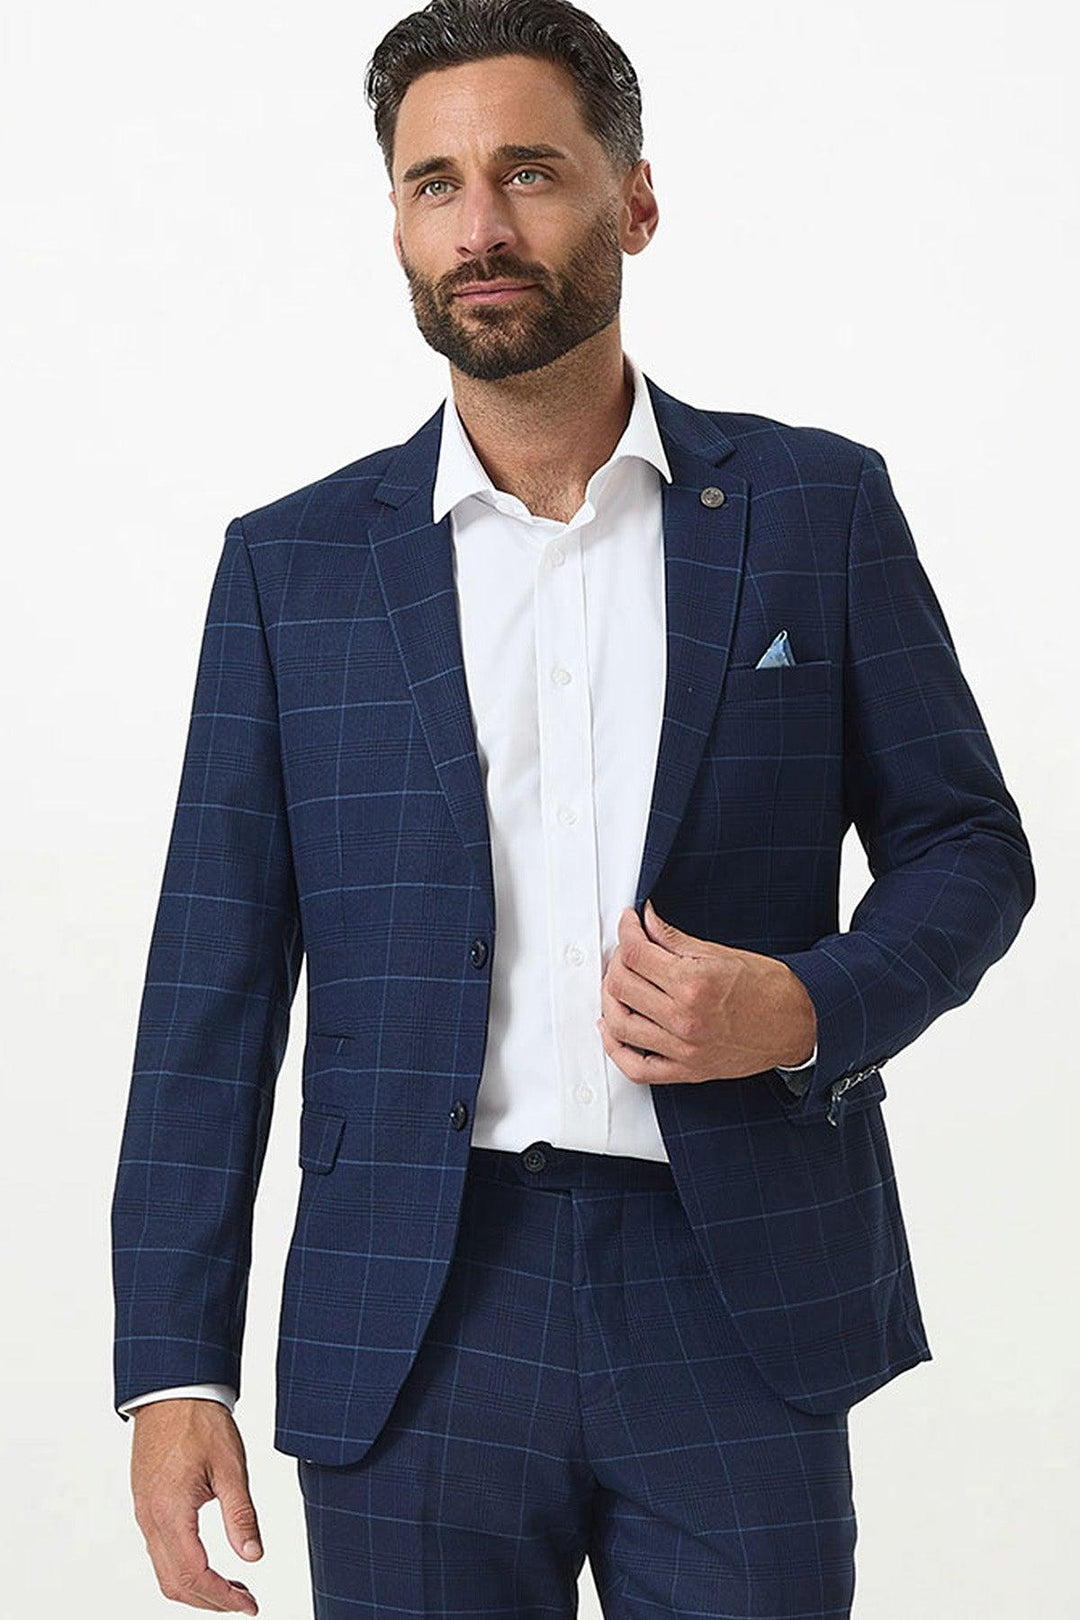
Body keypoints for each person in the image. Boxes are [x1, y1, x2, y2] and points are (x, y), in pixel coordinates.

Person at [110, 2, 1036, 1615]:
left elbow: (969, 847)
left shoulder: (815, 508)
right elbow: (213, 987)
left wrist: (811, 1005)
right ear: (394, 219)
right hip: (414, 1309)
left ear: (636, 202)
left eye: (530, 172)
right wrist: (170, 1364)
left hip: (734, 1290)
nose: (480, 227)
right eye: (433, 183)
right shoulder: (294, 569)